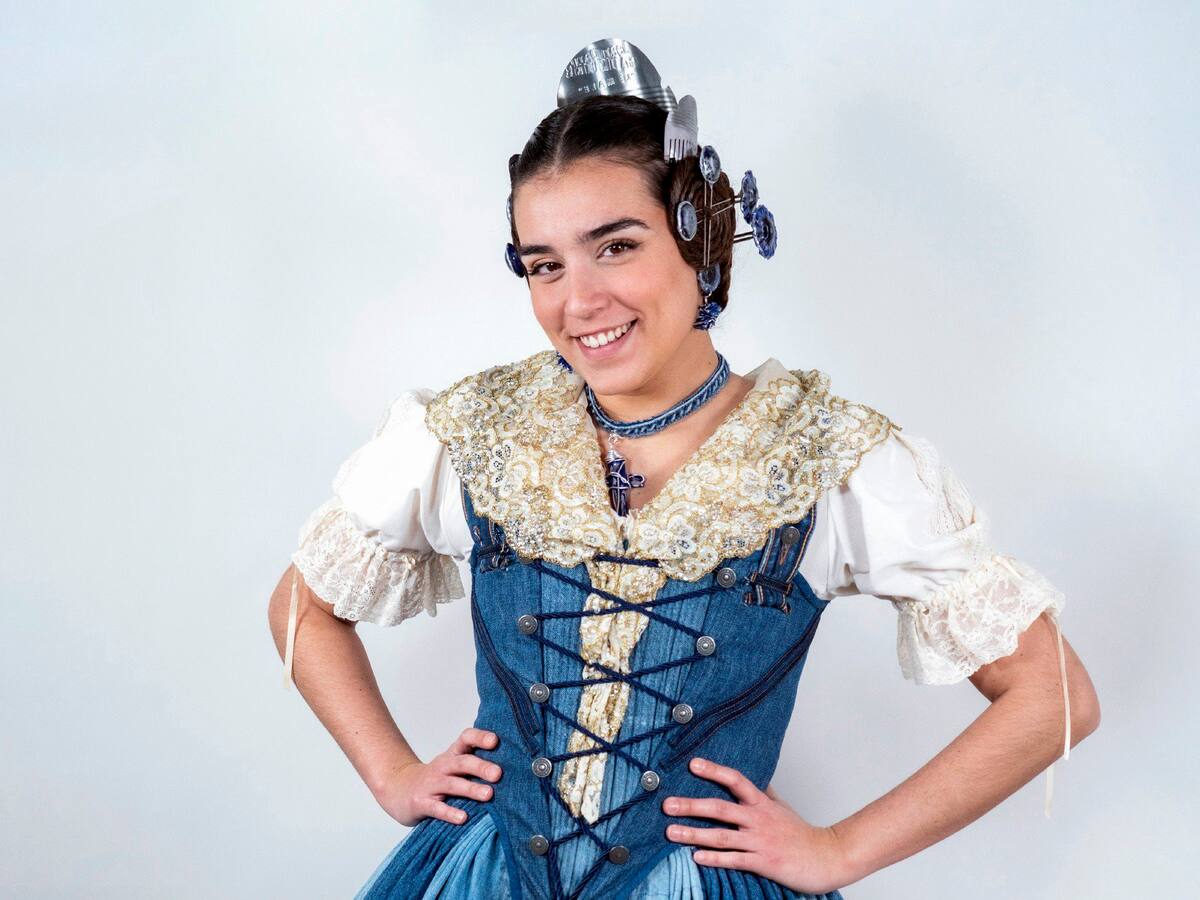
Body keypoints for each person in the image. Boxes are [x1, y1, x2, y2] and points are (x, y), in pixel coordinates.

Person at [268, 39, 1100, 900]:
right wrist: (393, 775)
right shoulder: (474, 432)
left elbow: (1052, 694)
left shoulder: (828, 460)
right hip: (483, 873)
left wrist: (840, 850)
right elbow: (303, 606)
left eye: (616, 247)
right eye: (545, 265)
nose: (578, 301)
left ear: (700, 238)